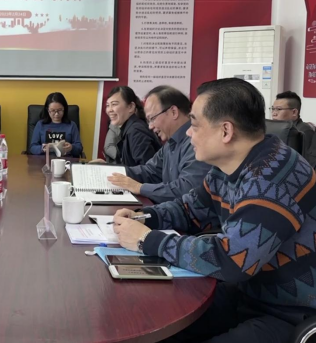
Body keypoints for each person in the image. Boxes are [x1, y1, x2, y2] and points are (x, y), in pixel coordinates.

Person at [112, 78, 316, 343]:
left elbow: (233, 260)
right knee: (152, 320)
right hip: (247, 291)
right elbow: (189, 209)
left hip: (289, 312)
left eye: (195, 124)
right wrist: (145, 217)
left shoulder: (269, 181)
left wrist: (147, 240)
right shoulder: (229, 166)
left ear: (225, 131)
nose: (188, 133)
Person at [108, 85, 211, 204]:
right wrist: (109, 172)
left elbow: (186, 189)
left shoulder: (196, 143)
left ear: (173, 112)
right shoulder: (170, 143)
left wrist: (140, 188)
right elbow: (149, 171)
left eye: (152, 119)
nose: (150, 126)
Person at [93, 86, 160, 166]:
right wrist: (107, 165)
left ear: (131, 107)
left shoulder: (136, 131)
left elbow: (146, 170)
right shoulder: (129, 128)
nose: (109, 110)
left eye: (114, 104)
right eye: (108, 105)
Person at [29, 92, 83, 157]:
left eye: (60, 110)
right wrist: (43, 148)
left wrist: (71, 147)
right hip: (44, 160)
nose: (56, 114)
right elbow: (32, 147)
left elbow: (79, 148)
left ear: (64, 109)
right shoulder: (40, 124)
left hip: (66, 161)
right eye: (53, 110)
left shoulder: (72, 125)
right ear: (47, 110)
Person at [272, 90, 316, 167]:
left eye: (279, 109)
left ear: (294, 112)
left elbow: (307, 163)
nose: (274, 113)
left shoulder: (304, 131)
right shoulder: (274, 129)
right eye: (273, 109)